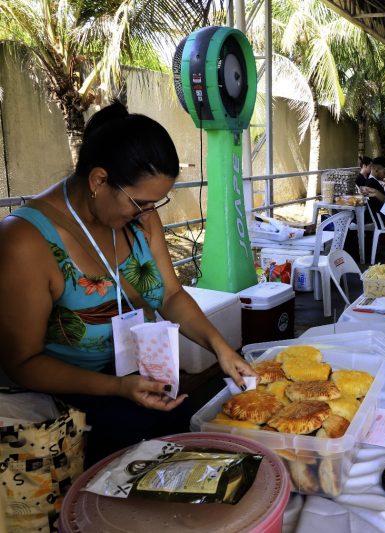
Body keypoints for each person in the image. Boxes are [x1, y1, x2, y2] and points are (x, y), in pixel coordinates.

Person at [0, 101, 256, 466]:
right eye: (141, 203)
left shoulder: (140, 218)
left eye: (156, 203)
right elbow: (22, 363)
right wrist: (116, 388)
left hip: (140, 377)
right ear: (99, 180)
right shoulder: (25, 241)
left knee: (178, 442)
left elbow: (170, 293)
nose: (149, 214)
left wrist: (222, 348)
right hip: (69, 403)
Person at [360, 156, 385, 229]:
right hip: (382, 219)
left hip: (382, 216)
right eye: (384, 172)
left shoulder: (372, 182)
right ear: (376, 170)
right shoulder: (372, 184)